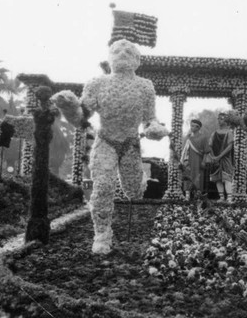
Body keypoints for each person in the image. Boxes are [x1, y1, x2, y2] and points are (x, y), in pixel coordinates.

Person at [51, 39, 168, 254]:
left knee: (133, 191)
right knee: (103, 186)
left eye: (128, 50)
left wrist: (155, 129)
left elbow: (150, 118)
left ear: (137, 60)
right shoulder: (97, 84)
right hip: (105, 142)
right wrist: (69, 106)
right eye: (117, 49)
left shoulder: (145, 86)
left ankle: (140, 180)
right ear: (109, 58)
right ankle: (102, 234)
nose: (122, 52)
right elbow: (81, 118)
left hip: (131, 144)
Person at [208, 112, 235, 203]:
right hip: (215, 159)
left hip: (225, 159)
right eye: (218, 119)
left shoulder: (229, 133)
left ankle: (230, 198)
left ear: (226, 121)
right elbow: (210, 146)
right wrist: (213, 156)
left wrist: (219, 156)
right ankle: (222, 197)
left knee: (227, 178)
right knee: (217, 179)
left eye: (221, 119)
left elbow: (229, 146)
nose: (219, 120)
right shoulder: (214, 133)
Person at [180, 119, 208, 201]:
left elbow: (206, 151)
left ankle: (198, 196)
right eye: (191, 125)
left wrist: (204, 161)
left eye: (193, 126)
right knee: (188, 176)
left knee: (198, 177)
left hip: (198, 161)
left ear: (198, 127)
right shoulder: (188, 137)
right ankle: (187, 196)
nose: (191, 127)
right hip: (188, 161)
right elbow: (185, 150)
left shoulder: (203, 137)